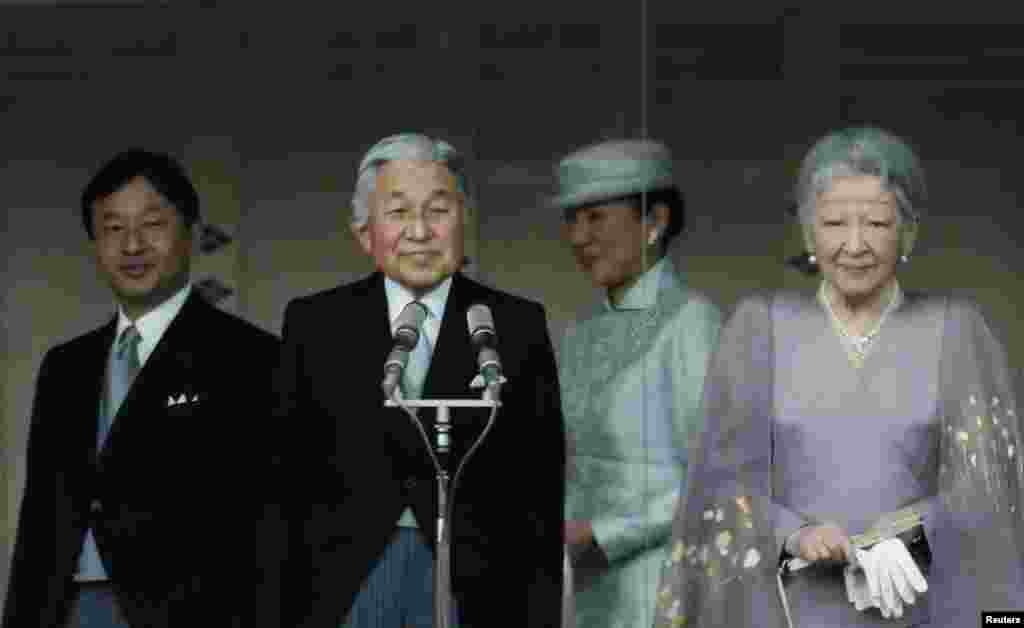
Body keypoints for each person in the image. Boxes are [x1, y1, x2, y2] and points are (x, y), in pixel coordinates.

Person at [654, 126, 1024, 628]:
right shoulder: (758, 327)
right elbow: (719, 485)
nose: (855, 244)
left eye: (876, 222)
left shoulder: (957, 329)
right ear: (809, 233)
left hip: (914, 601)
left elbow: (989, 488)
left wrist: (913, 531)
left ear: (908, 230)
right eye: (833, 223)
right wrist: (792, 534)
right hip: (790, 607)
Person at [276, 133, 565, 627]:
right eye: (398, 212)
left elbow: (538, 495)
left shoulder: (515, 325)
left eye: (438, 210)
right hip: (347, 582)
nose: (420, 231)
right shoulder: (315, 324)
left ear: (464, 221)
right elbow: (283, 485)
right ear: (365, 233)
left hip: (477, 585)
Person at [2, 149, 281, 627]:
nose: (132, 245)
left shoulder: (251, 358)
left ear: (190, 233)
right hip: (66, 610)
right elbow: (40, 522)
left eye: (152, 224)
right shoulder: (65, 367)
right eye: (113, 228)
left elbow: (272, 527)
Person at [553, 139, 722, 627]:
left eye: (596, 218)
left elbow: (713, 479)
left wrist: (602, 534)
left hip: (664, 586)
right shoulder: (579, 336)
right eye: (572, 220)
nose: (579, 237)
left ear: (655, 221)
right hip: (586, 592)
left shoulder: (693, 323)